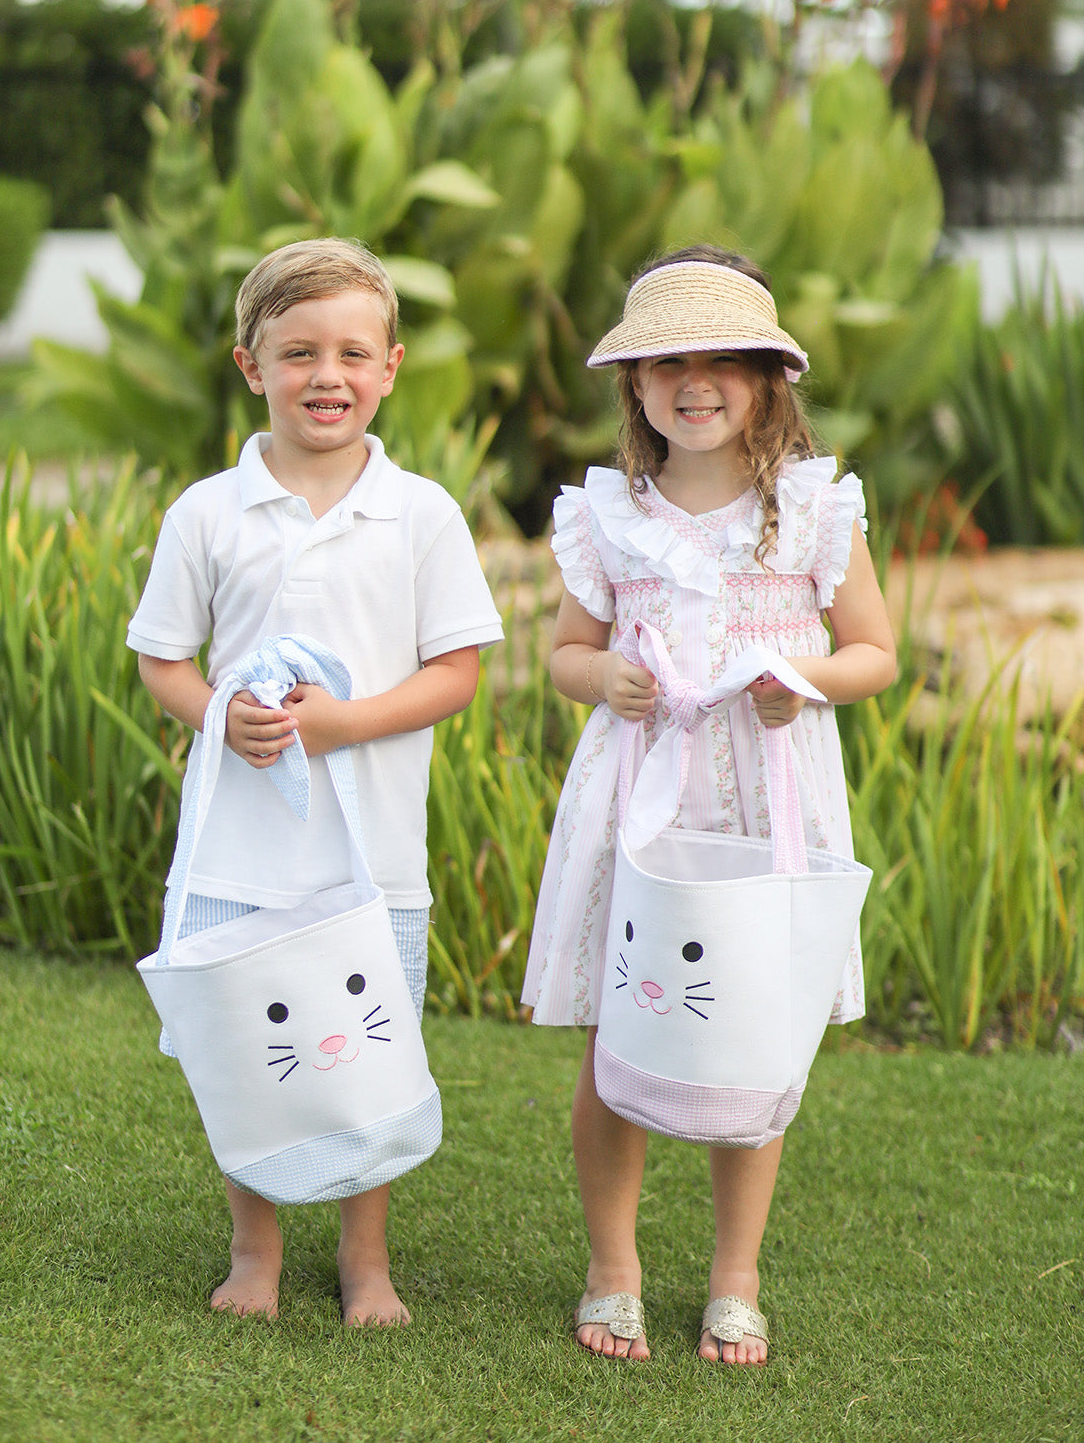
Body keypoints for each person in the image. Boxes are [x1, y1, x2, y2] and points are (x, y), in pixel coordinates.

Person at [522, 244, 896, 1365]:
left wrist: (805, 681)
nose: (695, 383)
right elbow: (565, 656)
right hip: (639, 794)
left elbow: (874, 650)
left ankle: (736, 1276)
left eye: (722, 362)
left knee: (754, 1041)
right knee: (617, 1038)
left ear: (767, 379)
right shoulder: (608, 516)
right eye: (665, 362)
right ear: (633, 385)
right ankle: (613, 1268)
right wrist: (609, 681)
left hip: (765, 800)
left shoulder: (812, 507)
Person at [127, 237, 503, 1325]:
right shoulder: (208, 512)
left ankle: (365, 1261)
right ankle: (255, 1252)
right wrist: (219, 716)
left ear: (390, 366)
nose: (324, 375)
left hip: (369, 852)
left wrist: (343, 725)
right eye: (297, 353)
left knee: (361, 1053)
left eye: (350, 352)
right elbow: (164, 660)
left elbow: (456, 674)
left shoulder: (422, 513)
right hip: (246, 847)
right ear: (252, 367)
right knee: (256, 1047)